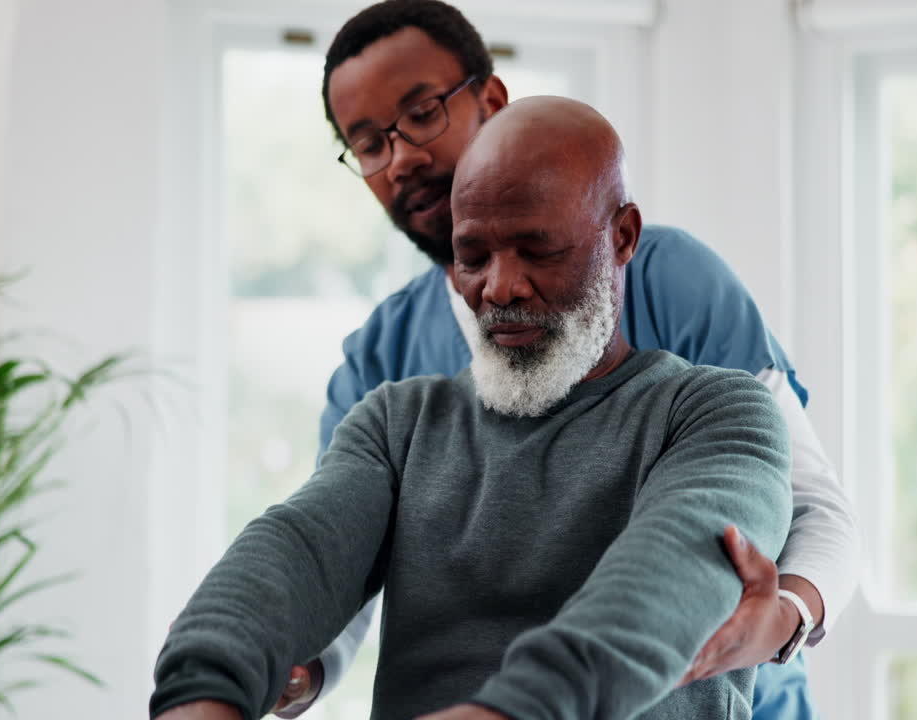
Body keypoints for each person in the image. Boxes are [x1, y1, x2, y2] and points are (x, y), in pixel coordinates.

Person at [270, 2, 860, 718]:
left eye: (421, 113)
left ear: (489, 100)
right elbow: (344, 560)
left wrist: (787, 615)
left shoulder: (671, 282)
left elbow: (816, 507)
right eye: (368, 143)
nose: (401, 159)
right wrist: (295, 662)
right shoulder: (381, 360)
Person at [151, 95, 794, 720]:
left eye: (539, 249)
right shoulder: (396, 425)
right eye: (473, 256)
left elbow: (665, 588)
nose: (500, 286)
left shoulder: (719, 414)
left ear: (622, 236)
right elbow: (298, 551)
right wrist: (204, 680)